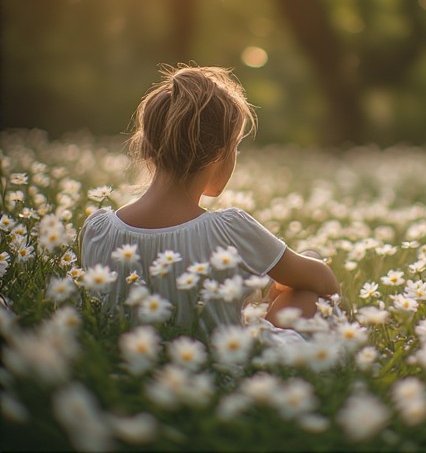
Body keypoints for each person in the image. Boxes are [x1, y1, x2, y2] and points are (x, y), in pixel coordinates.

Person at [80, 63, 339, 336]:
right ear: (218, 153)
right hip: (231, 356)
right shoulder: (229, 229)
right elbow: (326, 282)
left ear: (149, 147)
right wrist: (276, 290)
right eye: (235, 147)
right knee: (309, 274)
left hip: (134, 353)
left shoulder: (98, 229)